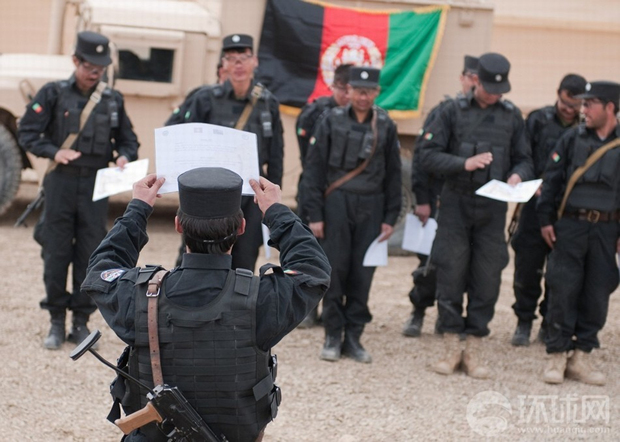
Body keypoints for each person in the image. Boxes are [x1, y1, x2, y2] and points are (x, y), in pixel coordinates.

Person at [81, 168, 331, 441]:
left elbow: (101, 270)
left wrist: (138, 208)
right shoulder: (261, 299)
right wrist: (276, 211)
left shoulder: (138, 295)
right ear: (242, 228)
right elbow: (313, 270)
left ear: (178, 226)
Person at [18, 31, 139, 350]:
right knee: (56, 252)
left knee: (90, 253)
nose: (94, 73)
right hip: (61, 182)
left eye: (100, 68)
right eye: (89, 66)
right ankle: (56, 320)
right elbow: (27, 132)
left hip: (96, 187)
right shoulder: (53, 93)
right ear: (75, 61)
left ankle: (81, 321)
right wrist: (54, 151)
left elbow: (128, 140)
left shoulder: (113, 99)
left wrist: (124, 156)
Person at [418, 53, 533, 378]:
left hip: (493, 209)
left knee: (487, 277)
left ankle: (475, 349)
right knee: (451, 273)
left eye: (500, 90)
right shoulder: (450, 111)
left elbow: (525, 159)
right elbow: (426, 155)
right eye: (490, 89)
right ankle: (451, 347)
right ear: (476, 81)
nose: (495, 95)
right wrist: (463, 164)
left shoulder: (512, 116)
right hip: (456, 204)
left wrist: (518, 175)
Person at [302, 66, 402, 363]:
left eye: (369, 92)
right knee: (334, 271)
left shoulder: (385, 125)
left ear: (377, 93)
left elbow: (394, 173)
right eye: (358, 91)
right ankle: (332, 335)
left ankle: (354, 337)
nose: (363, 97)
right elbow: (314, 171)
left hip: (372, 206)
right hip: (337, 205)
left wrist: (390, 217)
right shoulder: (330, 120)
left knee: (363, 274)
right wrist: (315, 214)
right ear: (349, 91)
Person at [166, 34, 284, 272]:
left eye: (244, 58)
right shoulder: (205, 99)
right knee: (196, 257)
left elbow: (276, 154)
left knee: (244, 260)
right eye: (231, 59)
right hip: (208, 193)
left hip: (249, 195)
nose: (238, 64)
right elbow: (179, 138)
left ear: (255, 61)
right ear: (224, 64)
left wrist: (271, 201)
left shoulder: (267, 103)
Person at [537, 81, 620, 386]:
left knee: (598, 292)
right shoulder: (571, 138)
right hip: (570, 226)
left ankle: (581, 357)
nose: (583, 110)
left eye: (589, 104)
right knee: (563, 289)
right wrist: (545, 220)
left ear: (610, 107)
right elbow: (551, 180)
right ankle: (557, 356)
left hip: (607, 229)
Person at [402, 55, 479, 337]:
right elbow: (422, 158)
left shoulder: (490, 117)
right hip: (439, 201)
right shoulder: (444, 111)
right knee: (431, 263)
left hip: (472, 205)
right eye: (471, 77)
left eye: (479, 79)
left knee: (466, 265)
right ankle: (418, 311)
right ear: (462, 78)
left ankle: (449, 318)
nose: (475, 83)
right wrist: (422, 200)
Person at [510, 74, 586, 347]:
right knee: (527, 268)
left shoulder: (586, 128)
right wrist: (531, 183)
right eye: (565, 103)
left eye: (574, 105)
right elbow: (523, 156)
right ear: (558, 93)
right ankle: (523, 321)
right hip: (534, 206)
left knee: (559, 273)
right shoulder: (538, 120)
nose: (568, 109)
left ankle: (548, 322)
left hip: (566, 211)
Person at [295, 63, 351, 329]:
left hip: (343, 195)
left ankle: (333, 309)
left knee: (337, 257)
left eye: (352, 90)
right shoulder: (314, 113)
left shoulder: (365, 117)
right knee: (310, 252)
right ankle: (308, 308)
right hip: (314, 189)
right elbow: (308, 158)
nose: (348, 95)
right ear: (334, 86)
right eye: (343, 89)